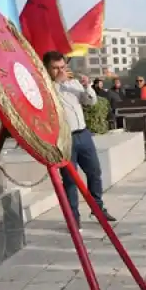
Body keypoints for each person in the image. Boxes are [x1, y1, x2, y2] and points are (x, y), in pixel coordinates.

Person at [42, 51, 117, 230]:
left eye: (62, 67)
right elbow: (47, 102)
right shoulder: (46, 87)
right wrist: (58, 82)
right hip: (64, 138)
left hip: (83, 134)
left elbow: (90, 102)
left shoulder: (73, 83)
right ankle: (73, 218)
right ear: (47, 69)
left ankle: (97, 208)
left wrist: (87, 87)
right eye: (55, 68)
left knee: (95, 172)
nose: (60, 71)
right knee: (70, 180)